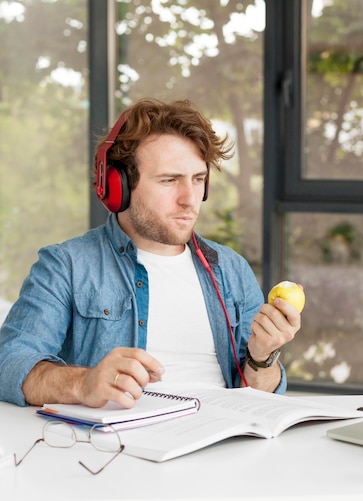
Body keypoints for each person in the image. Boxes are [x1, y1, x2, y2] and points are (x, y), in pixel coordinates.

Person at [0, 97, 301, 407]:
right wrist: (82, 383)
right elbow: (10, 363)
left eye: (198, 180)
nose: (190, 199)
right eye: (169, 180)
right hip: (120, 447)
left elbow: (256, 397)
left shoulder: (231, 269)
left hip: (221, 441)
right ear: (119, 186)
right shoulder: (66, 266)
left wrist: (263, 358)